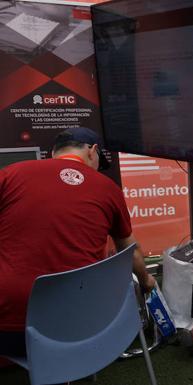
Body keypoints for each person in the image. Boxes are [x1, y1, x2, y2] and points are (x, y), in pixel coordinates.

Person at [0, 127, 156, 357]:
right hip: (83, 330)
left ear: (52, 153)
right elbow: (131, 252)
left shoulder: (10, 173)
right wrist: (147, 280)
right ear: (93, 151)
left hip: (7, 331)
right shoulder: (108, 188)